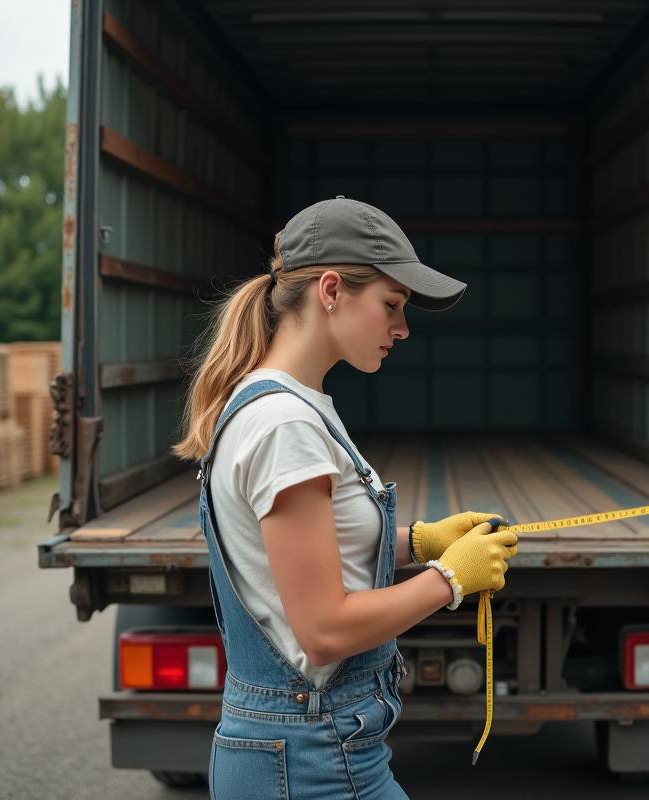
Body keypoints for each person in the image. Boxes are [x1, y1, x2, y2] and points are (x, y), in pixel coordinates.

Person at [175, 197, 519, 799]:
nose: (402, 327)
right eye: (392, 304)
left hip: (303, 750)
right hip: (312, 761)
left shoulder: (287, 405)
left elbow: (307, 557)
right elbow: (324, 631)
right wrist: (449, 579)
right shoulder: (285, 424)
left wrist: (419, 542)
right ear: (331, 290)